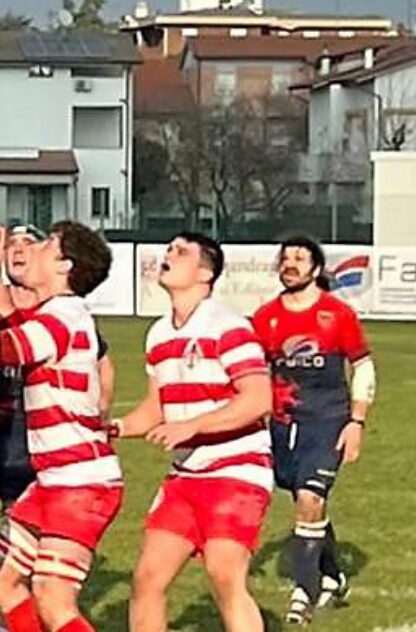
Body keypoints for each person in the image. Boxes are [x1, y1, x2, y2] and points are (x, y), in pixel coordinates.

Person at [112, 233, 273, 632]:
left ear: (206, 272)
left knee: (224, 574)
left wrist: (191, 426)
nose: (168, 255)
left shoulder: (228, 326)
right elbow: (155, 409)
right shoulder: (158, 334)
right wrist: (112, 427)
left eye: (181, 251)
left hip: (238, 468)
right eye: (168, 249)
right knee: (148, 578)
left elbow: (258, 399)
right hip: (187, 475)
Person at [0, 222, 121, 632]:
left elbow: (6, 349)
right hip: (55, 481)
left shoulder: (63, 315)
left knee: (51, 597)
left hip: (81, 482)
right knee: (3, 581)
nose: (34, 249)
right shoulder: (59, 315)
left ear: (65, 265)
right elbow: (14, 326)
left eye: (46, 245)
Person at [251, 236, 376, 625]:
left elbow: (364, 366)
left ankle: (302, 592)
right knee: (306, 501)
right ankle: (333, 576)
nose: (290, 264)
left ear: (316, 269)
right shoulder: (264, 316)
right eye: (285, 258)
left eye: (300, 258)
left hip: (327, 422)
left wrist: (356, 422)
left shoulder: (337, 314)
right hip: (281, 424)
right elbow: (252, 370)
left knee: (309, 495)